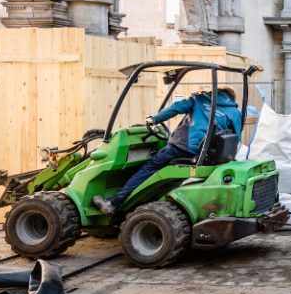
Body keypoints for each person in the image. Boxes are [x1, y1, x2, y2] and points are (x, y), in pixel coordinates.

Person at [94, 85, 241, 215]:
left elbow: (175, 108)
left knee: (149, 168)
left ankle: (113, 203)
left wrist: (154, 119)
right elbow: (236, 138)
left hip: (180, 148)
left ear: (215, 92)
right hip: (207, 154)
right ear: (230, 98)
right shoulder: (235, 112)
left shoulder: (199, 99)